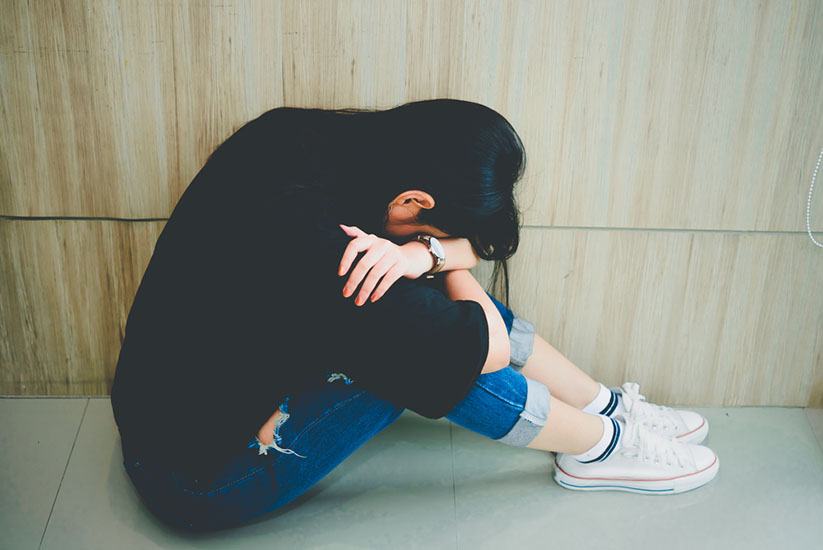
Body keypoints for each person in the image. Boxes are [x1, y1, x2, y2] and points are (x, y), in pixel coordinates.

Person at [110, 99, 719, 532]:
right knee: (429, 350)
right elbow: (481, 347)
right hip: (197, 478)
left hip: (170, 406)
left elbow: (479, 249)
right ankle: (603, 448)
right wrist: (438, 264)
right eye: (432, 225)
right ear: (412, 201)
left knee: (431, 322)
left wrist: (421, 249)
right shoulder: (335, 254)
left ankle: (604, 405)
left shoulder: (302, 141)